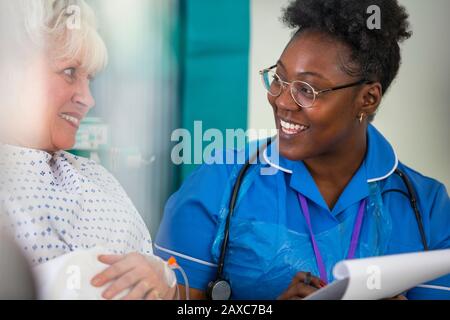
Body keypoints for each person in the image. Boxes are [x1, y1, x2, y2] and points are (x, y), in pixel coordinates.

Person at [155, 0, 450, 300]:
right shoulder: (222, 179)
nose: (282, 101)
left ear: (367, 99)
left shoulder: (427, 207)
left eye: (307, 90)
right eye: (279, 79)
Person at [0, 0, 176, 300]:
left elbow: (160, 273)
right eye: (69, 72)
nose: (87, 98)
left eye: (89, 78)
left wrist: (164, 280)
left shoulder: (99, 179)